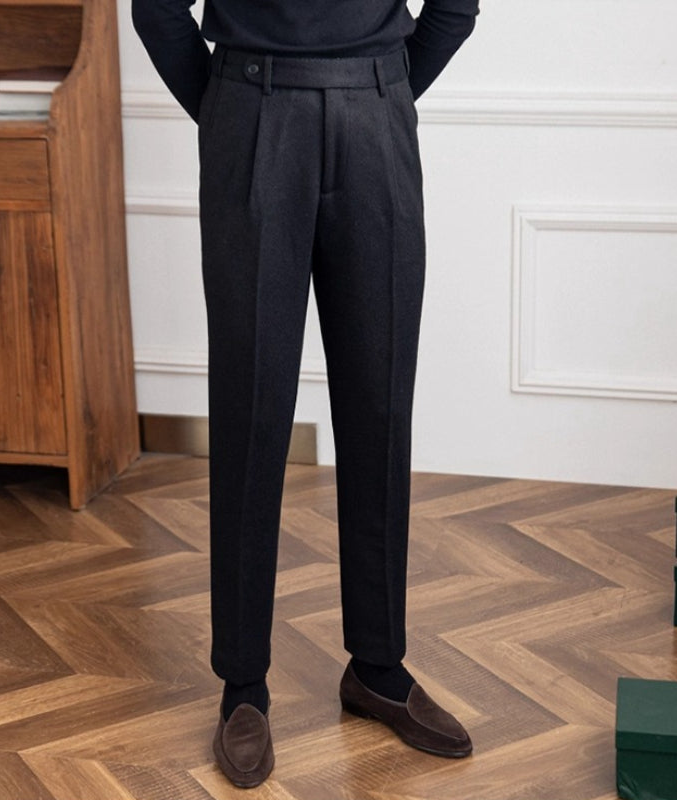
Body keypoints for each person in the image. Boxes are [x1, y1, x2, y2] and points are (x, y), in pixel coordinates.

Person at [132, 0, 479, 788]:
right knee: (252, 409)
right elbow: (156, 9)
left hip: (375, 113)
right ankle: (242, 685)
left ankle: (378, 668)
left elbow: (456, 7)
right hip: (254, 110)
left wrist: (379, 87)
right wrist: (232, 113)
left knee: (380, 404)